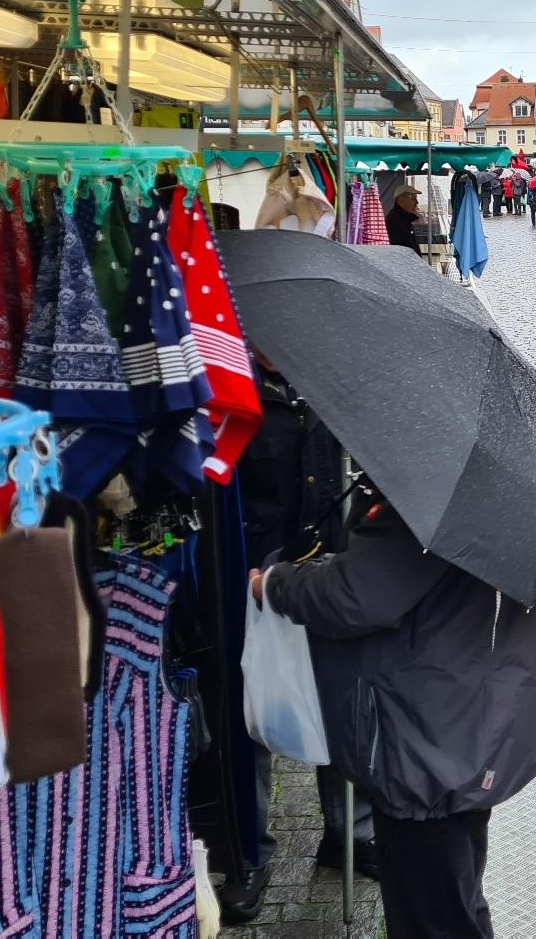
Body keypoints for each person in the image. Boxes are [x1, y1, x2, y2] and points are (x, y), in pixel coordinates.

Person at [250, 489, 536, 939]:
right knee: (457, 900)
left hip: (422, 747)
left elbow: (356, 597)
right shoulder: (502, 499)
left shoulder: (427, 503)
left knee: (430, 916)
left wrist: (277, 583)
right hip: (464, 731)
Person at [231, 354, 378, 908]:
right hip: (253, 574)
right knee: (250, 707)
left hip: (329, 565)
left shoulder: (330, 376)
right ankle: (249, 851)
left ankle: (350, 833)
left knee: (343, 697)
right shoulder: (231, 382)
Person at [384, 185, 422, 256]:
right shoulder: (396, 220)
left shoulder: (403, 218)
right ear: (401, 200)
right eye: (413, 198)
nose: (417, 202)